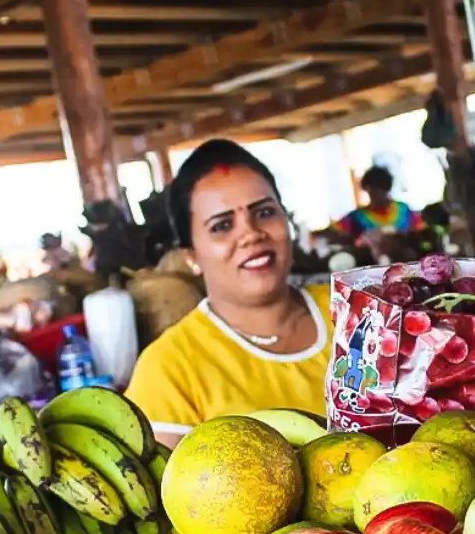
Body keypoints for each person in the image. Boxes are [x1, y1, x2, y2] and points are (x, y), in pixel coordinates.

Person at [126, 139, 330, 445]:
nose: (250, 234)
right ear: (191, 256)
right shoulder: (169, 368)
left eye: (263, 213)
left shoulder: (355, 313)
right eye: (222, 226)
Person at [336, 166, 423, 242]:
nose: (375, 194)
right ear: (366, 189)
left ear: (386, 188)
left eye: (378, 189)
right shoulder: (357, 217)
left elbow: (418, 232)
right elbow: (336, 232)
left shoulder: (403, 210)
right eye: (371, 190)